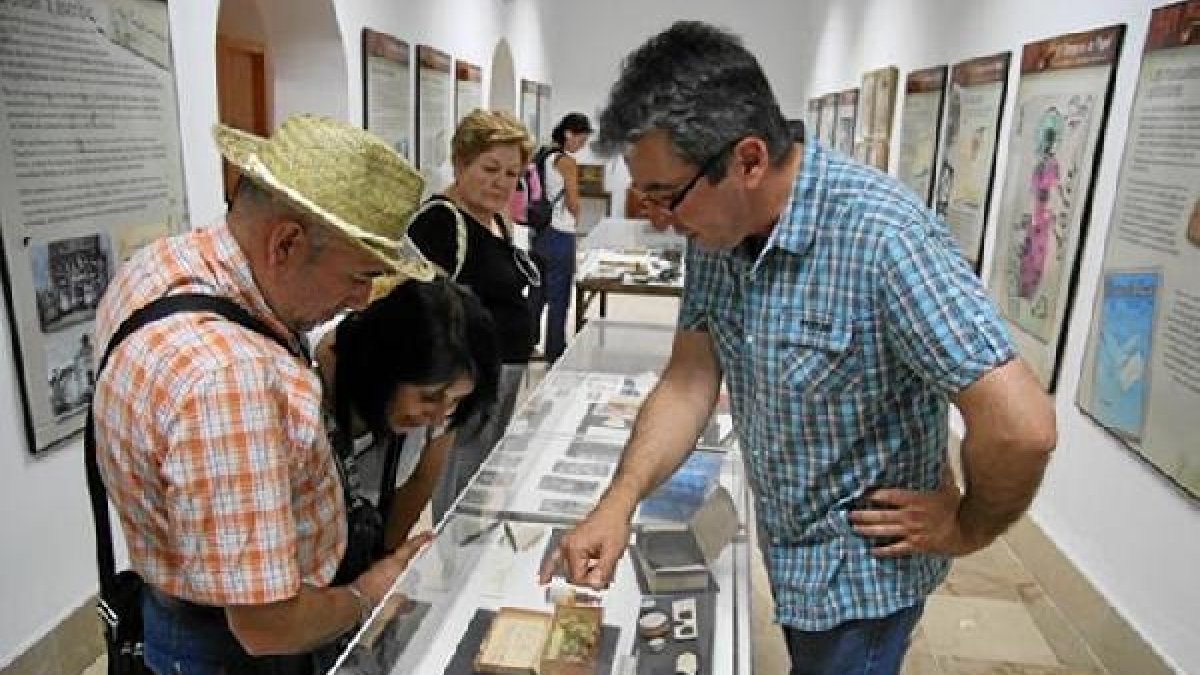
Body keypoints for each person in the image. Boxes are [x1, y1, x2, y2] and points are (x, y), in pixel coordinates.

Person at [540, 22, 1057, 675]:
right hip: (792, 554)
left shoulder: (884, 237)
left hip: (862, 582)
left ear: (749, 160)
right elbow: (689, 381)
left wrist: (969, 524)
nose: (659, 218)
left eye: (667, 195)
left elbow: (1022, 427)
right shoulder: (718, 234)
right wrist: (619, 500)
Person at [93, 114, 437, 674]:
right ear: (286, 243)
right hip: (234, 651)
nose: (360, 300)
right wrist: (367, 592)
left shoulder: (161, 265)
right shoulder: (232, 381)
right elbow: (267, 625)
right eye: (358, 276)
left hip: (177, 614)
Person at [405, 108, 539, 521]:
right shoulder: (439, 222)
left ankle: (467, 544)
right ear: (461, 162)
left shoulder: (498, 218)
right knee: (454, 475)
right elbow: (422, 309)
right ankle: (449, 557)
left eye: (511, 174)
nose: (502, 182)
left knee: (481, 472)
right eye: (490, 168)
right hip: (466, 380)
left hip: (505, 371)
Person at [315, 277, 501, 554]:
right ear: (383, 369)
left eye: (457, 400)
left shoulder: (445, 404)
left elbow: (419, 482)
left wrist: (382, 564)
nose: (439, 417)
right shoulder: (306, 384)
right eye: (429, 397)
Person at [528, 112, 593, 362]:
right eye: (581, 139)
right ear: (569, 134)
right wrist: (575, 220)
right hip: (560, 233)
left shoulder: (543, 155)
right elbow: (573, 201)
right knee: (559, 295)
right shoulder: (567, 163)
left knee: (537, 292)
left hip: (541, 231)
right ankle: (555, 350)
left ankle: (528, 342)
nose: (582, 145)